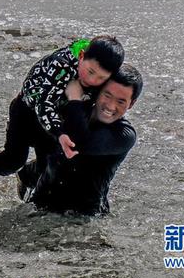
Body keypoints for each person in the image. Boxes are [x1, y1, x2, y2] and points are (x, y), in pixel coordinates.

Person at [0, 35, 125, 197]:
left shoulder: (102, 75)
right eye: (90, 71)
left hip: (58, 117)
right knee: (12, 161)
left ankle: (26, 177)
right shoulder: (60, 65)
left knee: (52, 166)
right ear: (82, 56)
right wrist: (60, 133)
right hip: (27, 112)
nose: (92, 80)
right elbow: (44, 105)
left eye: (100, 78)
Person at [22, 63, 143, 215]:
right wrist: (23, 172)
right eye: (107, 95)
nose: (111, 106)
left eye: (121, 101)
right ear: (98, 91)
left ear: (131, 103)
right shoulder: (73, 109)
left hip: (84, 219)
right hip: (41, 205)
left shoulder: (124, 135)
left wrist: (74, 97)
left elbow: (79, 143)